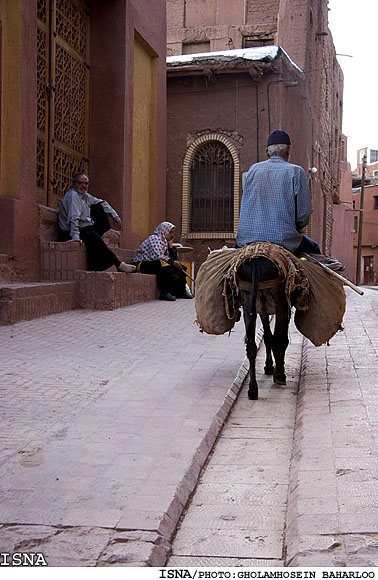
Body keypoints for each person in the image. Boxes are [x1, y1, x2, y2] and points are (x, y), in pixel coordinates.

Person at [235, 130, 321, 256]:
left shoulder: (253, 170)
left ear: (267, 152)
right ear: (288, 151)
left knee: (229, 267)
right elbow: (304, 214)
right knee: (315, 252)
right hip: (284, 240)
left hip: (245, 240)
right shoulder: (296, 172)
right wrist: (299, 226)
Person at [58, 172, 135, 273]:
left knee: (98, 207)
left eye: (86, 183)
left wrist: (114, 215)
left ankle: (98, 242)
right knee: (92, 237)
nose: (84, 186)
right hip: (69, 233)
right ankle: (118, 264)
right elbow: (73, 218)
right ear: (74, 184)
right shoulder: (73, 196)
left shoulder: (85, 196)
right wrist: (75, 238)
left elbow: (103, 202)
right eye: (80, 183)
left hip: (83, 230)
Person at [133, 222, 193, 301]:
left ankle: (181, 291)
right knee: (162, 266)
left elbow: (172, 258)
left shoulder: (164, 242)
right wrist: (172, 262)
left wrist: (170, 246)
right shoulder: (154, 239)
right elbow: (157, 256)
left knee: (180, 268)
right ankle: (164, 293)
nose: (172, 235)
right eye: (170, 233)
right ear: (164, 231)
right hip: (142, 264)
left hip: (155, 263)